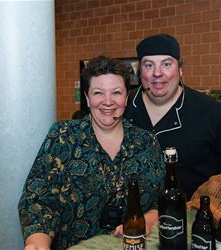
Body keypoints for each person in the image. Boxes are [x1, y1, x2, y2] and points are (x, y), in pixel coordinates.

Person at [18, 55, 165, 250]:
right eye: (98, 93)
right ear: (87, 98)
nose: (107, 101)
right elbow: (38, 201)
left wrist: (147, 220)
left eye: (116, 92)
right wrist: (37, 244)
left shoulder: (147, 142)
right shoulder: (63, 137)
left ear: (126, 98)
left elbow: (162, 200)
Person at [125, 34, 221, 200]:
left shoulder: (212, 113)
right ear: (140, 72)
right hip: (132, 216)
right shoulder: (122, 108)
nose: (157, 73)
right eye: (149, 65)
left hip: (190, 216)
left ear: (180, 69)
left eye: (166, 64)